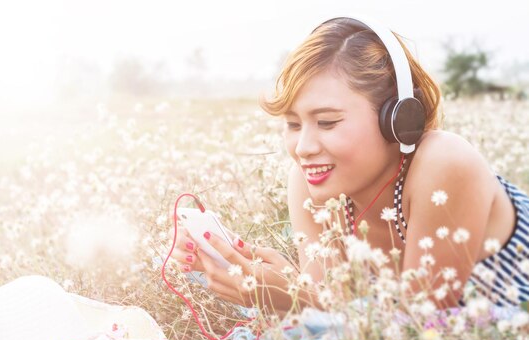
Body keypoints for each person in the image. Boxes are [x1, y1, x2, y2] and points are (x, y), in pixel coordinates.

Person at [170, 16, 529, 312]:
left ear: (398, 119)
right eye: (293, 125)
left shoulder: (445, 163)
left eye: (327, 122)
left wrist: (292, 298)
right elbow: (336, 312)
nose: (304, 148)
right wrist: (273, 285)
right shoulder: (309, 184)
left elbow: (420, 327)